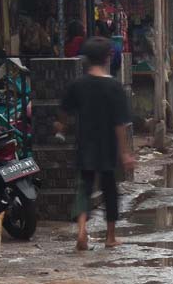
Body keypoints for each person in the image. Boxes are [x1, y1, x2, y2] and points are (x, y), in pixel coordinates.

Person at [56, 37, 135, 251]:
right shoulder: (114, 87)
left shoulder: (78, 84)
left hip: (85, 143)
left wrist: (61, 127)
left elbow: (64, 111)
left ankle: (82, 230)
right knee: (110, 190)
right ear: (107, 58)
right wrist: (125, 152)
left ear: (87, 59)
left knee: (84, 188)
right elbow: (120, 125)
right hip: (107, 146)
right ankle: (110, 237)